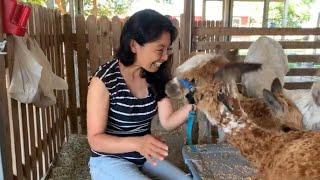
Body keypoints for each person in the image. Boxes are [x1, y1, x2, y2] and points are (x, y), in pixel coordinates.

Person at [87, 9, 193, 180]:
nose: (165, 57)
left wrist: (196, 104)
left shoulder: (154, 75)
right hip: (109, 160)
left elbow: (167, 122)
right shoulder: (104, 80)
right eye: (160, 49)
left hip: (142, 157)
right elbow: (95, 140)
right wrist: (139, 142)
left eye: (168, 49)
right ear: (134, 45)